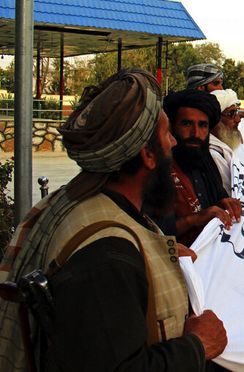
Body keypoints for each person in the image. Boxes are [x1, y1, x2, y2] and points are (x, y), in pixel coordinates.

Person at [0, 69, 227, 370]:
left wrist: (164, 253)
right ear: (147, 154)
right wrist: (197, 346)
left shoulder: (82, 201)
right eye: (166, 134)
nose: (173, 142)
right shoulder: (107, 257)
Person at [159, 89, 243, 245]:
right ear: (173, 127)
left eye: (203, 125)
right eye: (186, 123)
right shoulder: (158, 169)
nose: (195, 133)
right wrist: (195, 220)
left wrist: (224, 204)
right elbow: (152, 230)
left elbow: (217, 201)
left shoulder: (206, 161)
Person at [210, 88, 243, 195]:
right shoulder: (214, 155)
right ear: (215, 120)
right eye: (231, 114)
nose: (238, 119)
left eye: (238, 112)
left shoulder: (226, 148)